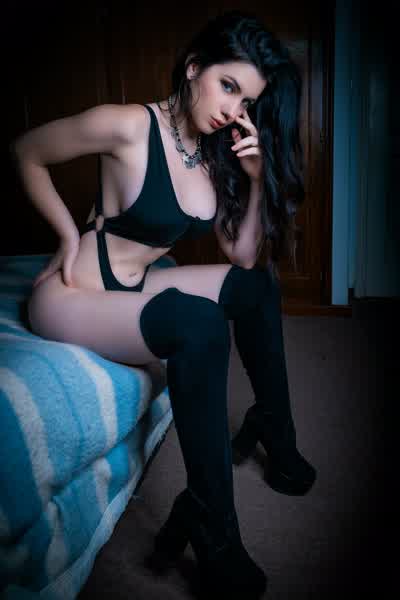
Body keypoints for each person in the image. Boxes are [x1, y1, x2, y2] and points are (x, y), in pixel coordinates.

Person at [11, 9, 316, 599]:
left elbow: (242, 256)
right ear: (195, 68)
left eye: (246, 101)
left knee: (256, 286)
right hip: (74, 293)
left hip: (134, 286)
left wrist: (255, 179)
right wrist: (67, 236)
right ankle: (212, 524)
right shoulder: (129, 125)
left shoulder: (215, 154)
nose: (232, 109)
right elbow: (26, 149)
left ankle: (275, 432)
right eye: (227, 85)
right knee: (199, 325)